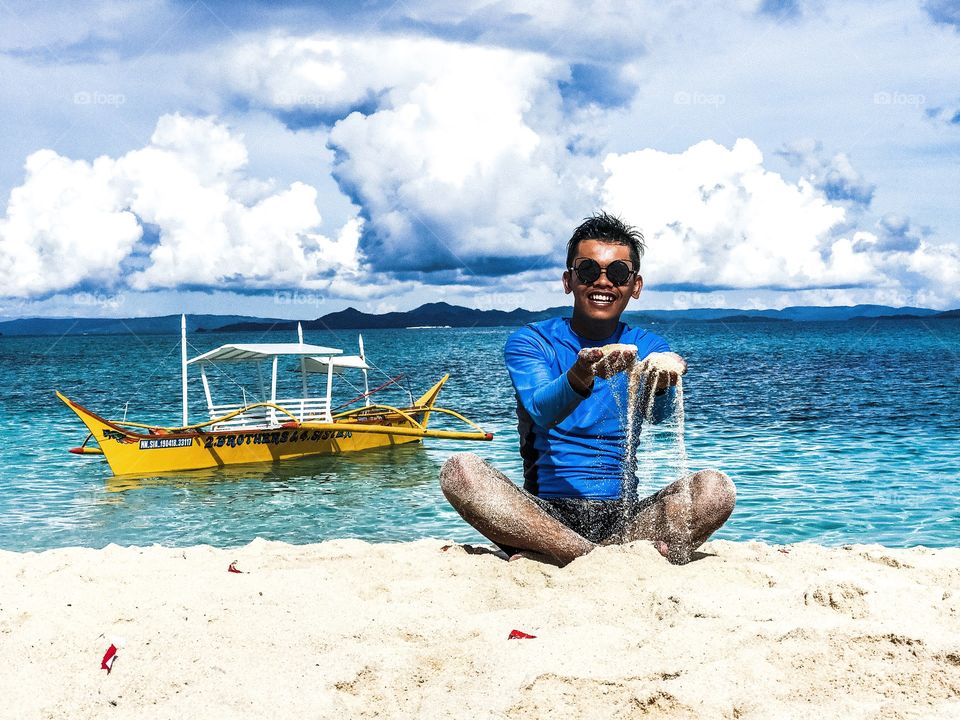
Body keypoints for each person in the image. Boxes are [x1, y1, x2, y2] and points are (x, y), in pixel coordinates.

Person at [439, 212, 736, 565]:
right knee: (460, 471)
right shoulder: (532, 341)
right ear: (569, 280)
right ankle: (593, 557)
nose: (603, 282)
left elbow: (660, 416)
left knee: (716, 489)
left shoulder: (648, 345)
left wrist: (662, 385)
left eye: (618, 273)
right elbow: (541, 409)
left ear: (635, 286)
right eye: (589, 271)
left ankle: (565, 556)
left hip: (625, 517)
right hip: (544, 514)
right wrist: (581, 373)